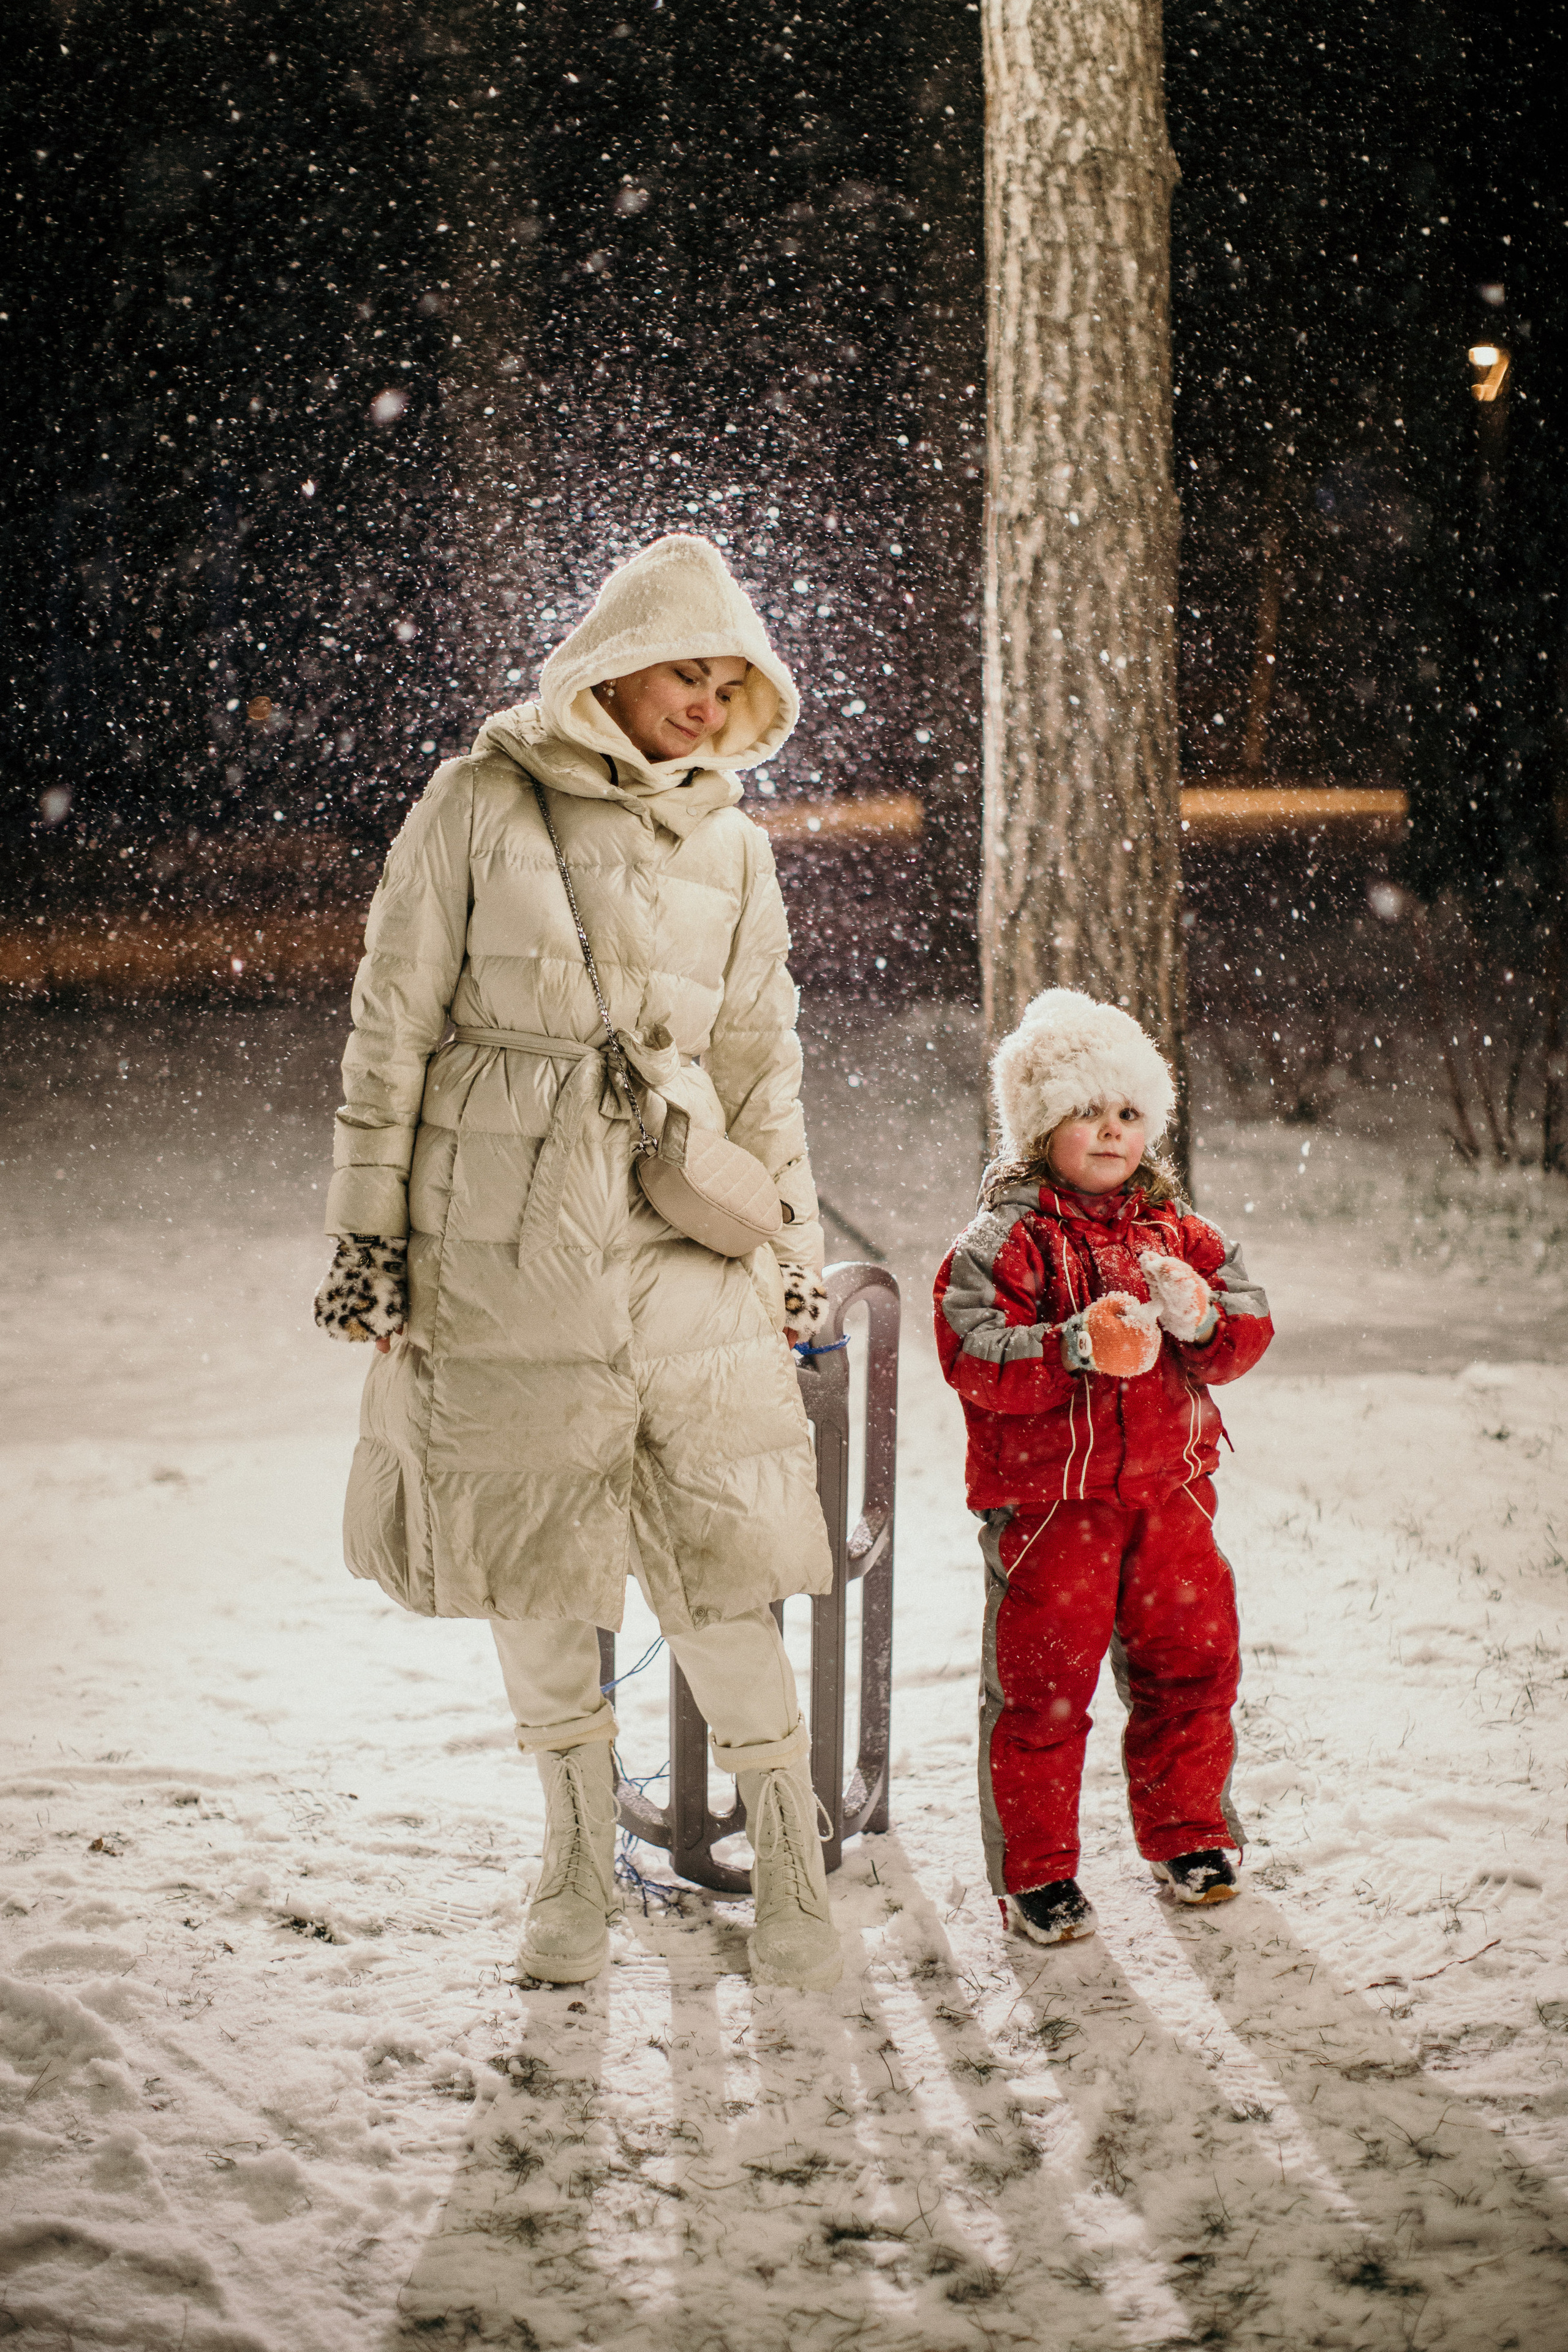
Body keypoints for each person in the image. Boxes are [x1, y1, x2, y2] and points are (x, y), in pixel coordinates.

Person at [312, 533, 843, 1993]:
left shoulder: (733, 844)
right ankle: (570, 1856)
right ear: (616, 661)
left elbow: (759, 1063)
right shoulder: (478, 800)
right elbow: (391, 1027)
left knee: (722, 1555)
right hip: (501, 1225)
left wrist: (786, 1247)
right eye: (690, 669)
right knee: (537, 1551)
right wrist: (373, 1244)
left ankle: (788, 1856)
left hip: (680, 1225)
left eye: (732, 681)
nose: (709, 701)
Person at [932, 989, 1273, 1946]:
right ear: (1043, 1127)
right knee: (1044, 1692)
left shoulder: (1178, 1233)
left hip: (1172, 1501)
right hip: (1051, 1513)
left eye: (1129, 1113)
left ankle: (1189, 1834)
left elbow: (1246, 1325)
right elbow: (973, 1356)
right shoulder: (1005, 1241)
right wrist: (1072, 1346)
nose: (1113, 1131)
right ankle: (1039, 1873)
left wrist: (1202, 1320)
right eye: (1090, 1112)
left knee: (1194, 1666)